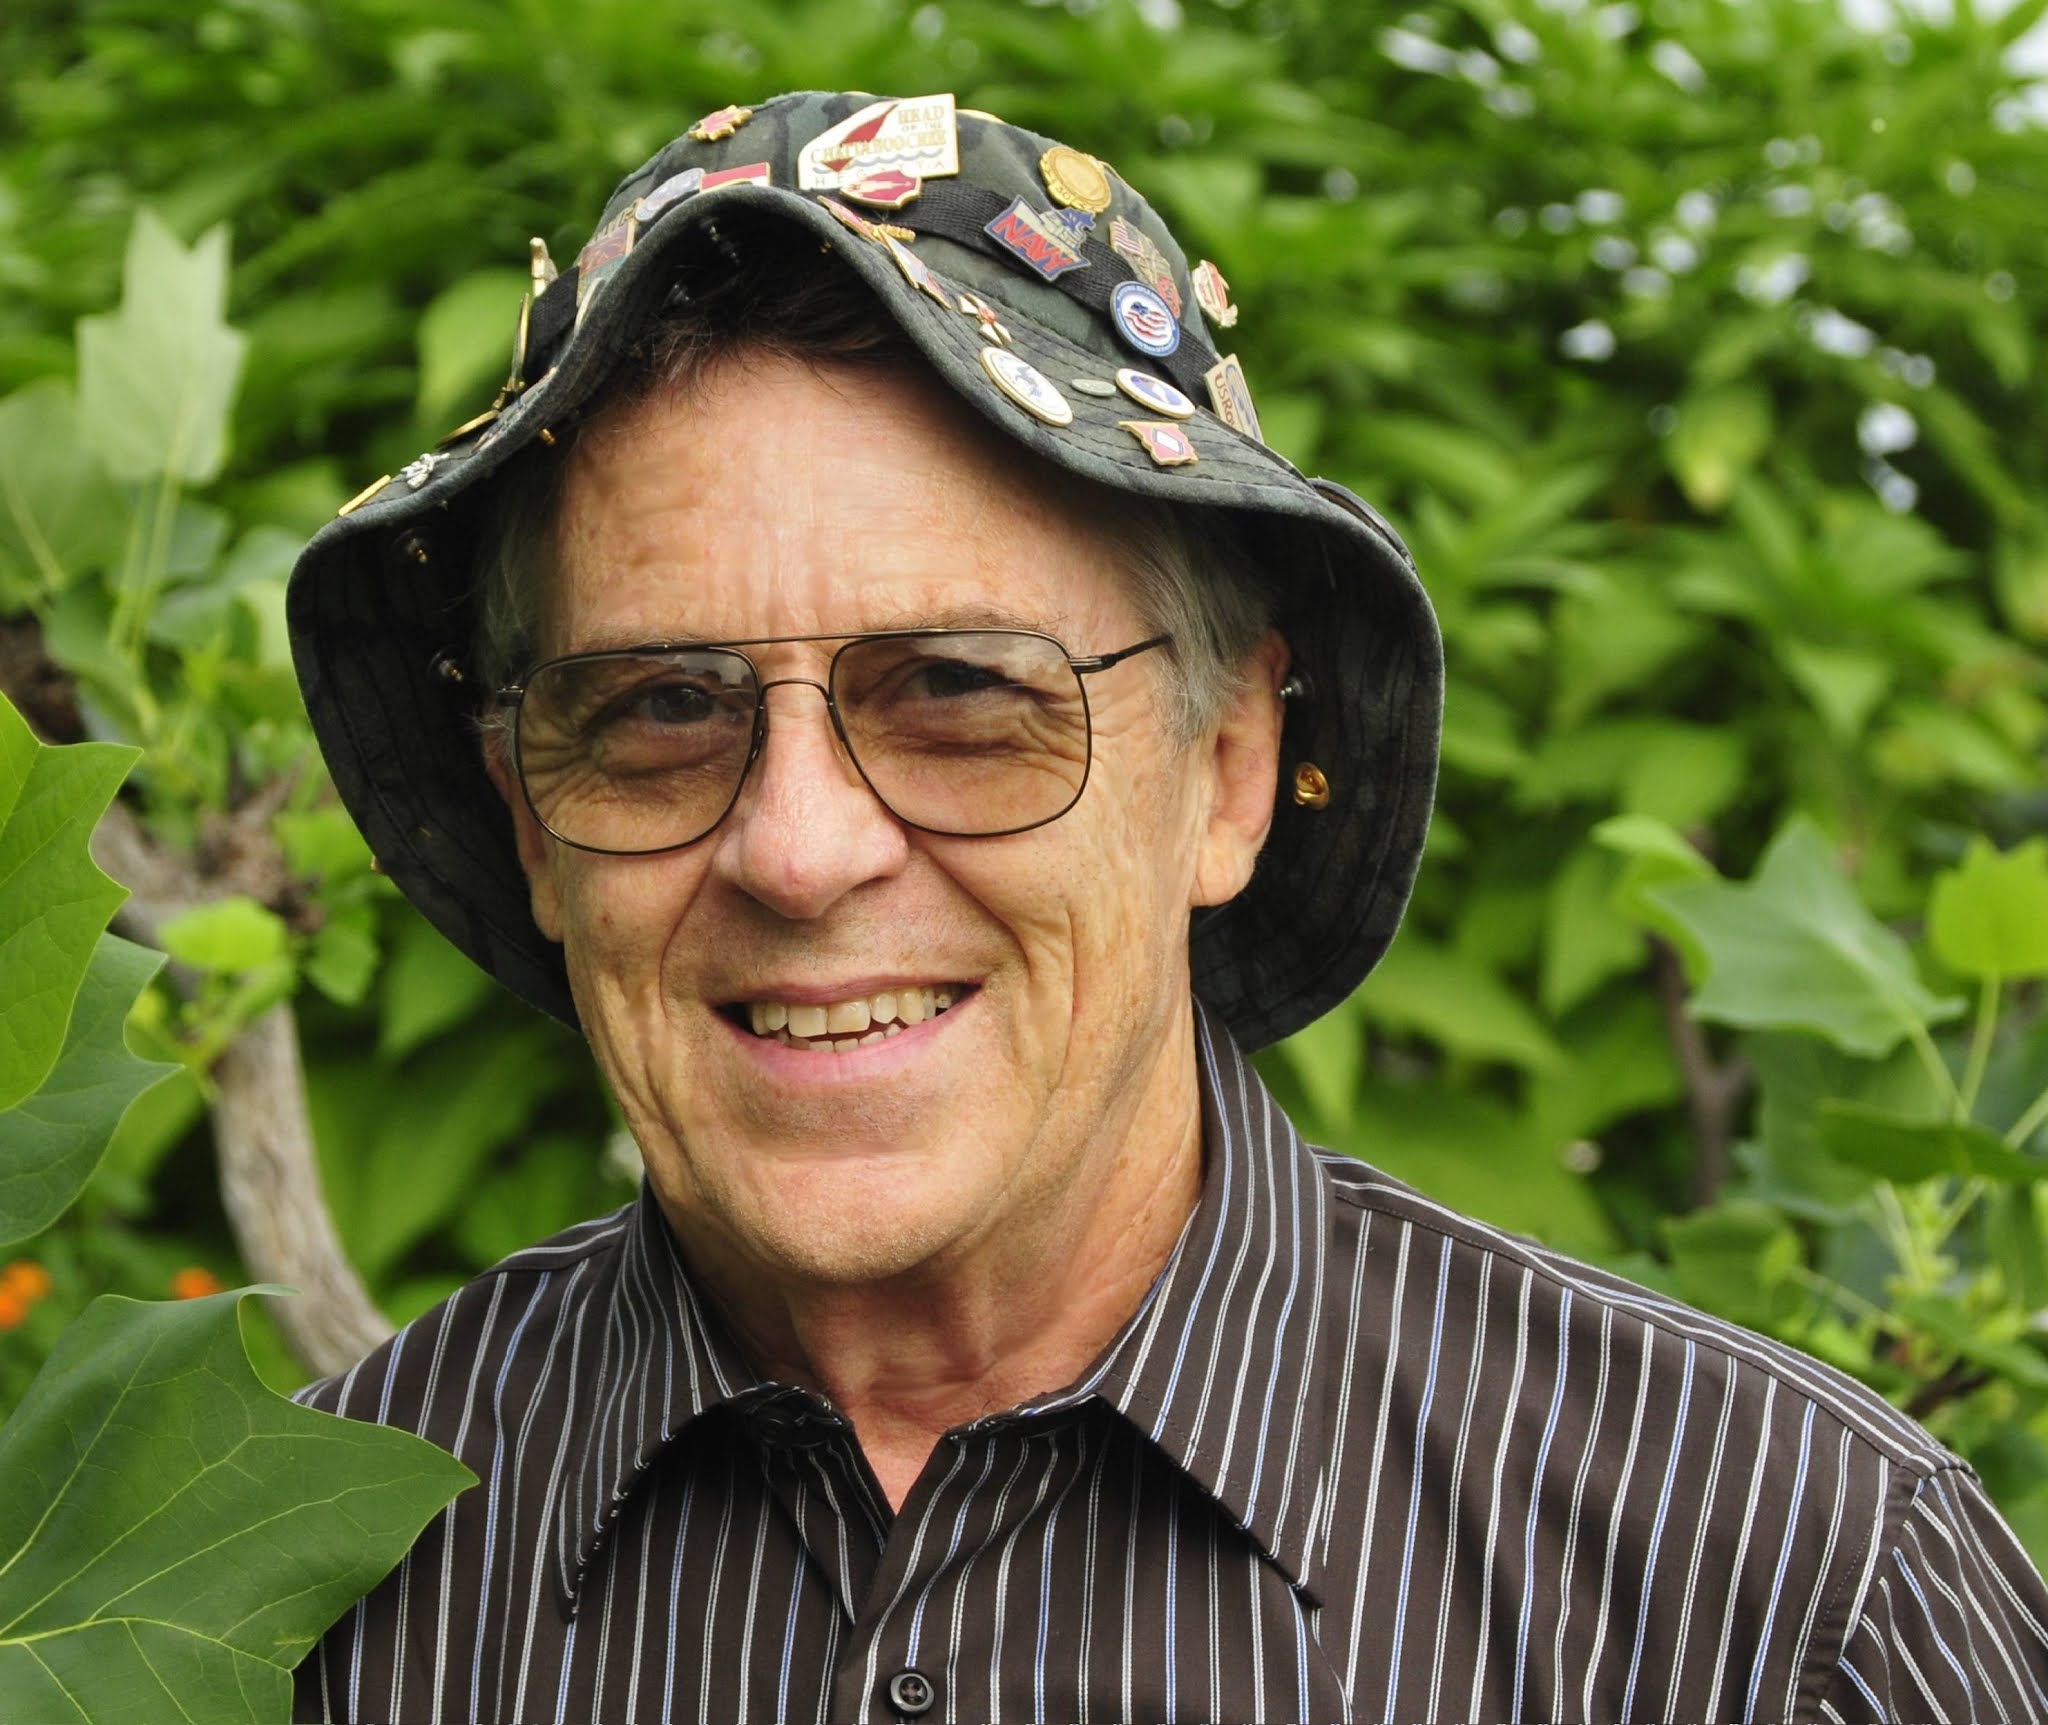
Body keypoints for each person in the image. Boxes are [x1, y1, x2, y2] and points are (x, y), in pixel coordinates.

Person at [286, 92, 2048, 1724]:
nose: (801, 852)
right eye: (662, 710)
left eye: (961, 690)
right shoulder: (285, 1588)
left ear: (1228, 767)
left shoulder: (1780, 1599)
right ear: (530, 816)